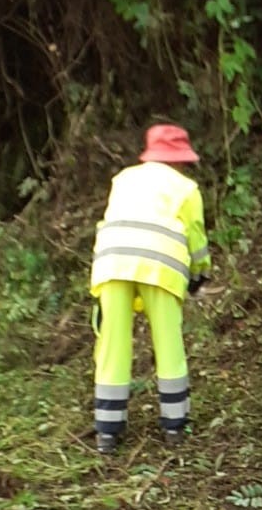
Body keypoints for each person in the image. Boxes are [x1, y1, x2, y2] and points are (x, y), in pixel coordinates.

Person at [90, 123, 212, 455]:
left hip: (112, 261)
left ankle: (107, 434)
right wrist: (200, 274)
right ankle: (174, 428)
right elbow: (196, 238)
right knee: (168, 342)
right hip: (161, 263)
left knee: (113, 344)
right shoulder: (185, 188)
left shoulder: (123, 179)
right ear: (180, 159)